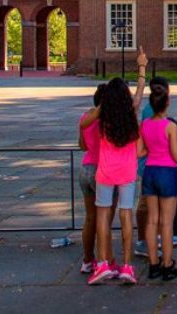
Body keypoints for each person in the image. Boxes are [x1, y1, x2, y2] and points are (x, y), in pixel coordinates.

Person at [88, 77, 144, 286]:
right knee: (126, 214)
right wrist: (141, 69)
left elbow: (84, 121)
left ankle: (102, 263)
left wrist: (103, 105)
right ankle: (127, 265)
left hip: (106, 172)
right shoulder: (131, 115)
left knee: (103, 215)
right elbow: (139, 94)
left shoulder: (103, 116)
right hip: (127, 171)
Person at [140, 78, 177, 281]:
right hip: (167, 171)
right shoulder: (170, 126)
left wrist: (152, 147)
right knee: (166, 222)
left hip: (150, 171)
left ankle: (153, 263)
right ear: (167, 102)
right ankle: (167, 264)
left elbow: (139, 151)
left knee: (151, 220)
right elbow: (176, 155)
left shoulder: (145, 124)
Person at [76, 86, 103, 274]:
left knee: (90, 218)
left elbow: (82, 145)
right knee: (104, 218)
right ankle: (103, 260)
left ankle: (87, 260)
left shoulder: (85, 117)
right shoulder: (107, 121)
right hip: (101, 170)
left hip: (85, 169)